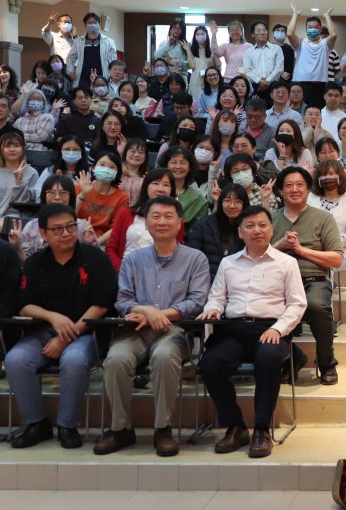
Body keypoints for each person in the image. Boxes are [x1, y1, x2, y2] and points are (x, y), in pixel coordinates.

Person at [94, 196, 210, 457]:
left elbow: (197, 301)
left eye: (168, 216)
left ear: (180, 223)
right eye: (155, 216)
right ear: (146, 224)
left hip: (176, 330)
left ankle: (163, 428)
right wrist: (146, 311)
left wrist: (161, 315)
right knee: (115, 359)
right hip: (134, 330)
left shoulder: (196, 259)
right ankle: (121, 428)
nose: (161, 222)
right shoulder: (133, 259)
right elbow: (123, 300)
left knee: (164, 356)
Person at [197, 205, 306, 458]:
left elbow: (297, 303)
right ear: (240, 232)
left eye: (262, 225)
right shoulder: (228, 263)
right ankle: (235, 426)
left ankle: (260, 429)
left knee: (268, 358)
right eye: (250, 226)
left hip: (269, 328)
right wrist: (213, 309)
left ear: (271, 229)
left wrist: (278, 329)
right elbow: (216, 298)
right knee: (210, 363)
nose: (257, 230)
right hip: (233, 329)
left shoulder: (287, 263)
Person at [6, 203, 116, 449]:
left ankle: (67, 425)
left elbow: (102, 303)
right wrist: (53, 317)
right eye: (57, 229)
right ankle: (37, 423)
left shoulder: (95, 258)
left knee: (74, 360)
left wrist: (67, 336)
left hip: (87, 331)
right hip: (44, 331)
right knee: (15, 359)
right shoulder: (35, 262)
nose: (66, 233)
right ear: (43, 234)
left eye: (70, 227)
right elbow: (23, 305)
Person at [271, 167, 343, 385]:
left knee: (317, 306)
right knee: (264, 308)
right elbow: (257, 256)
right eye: (289, 185)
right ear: (281, 191)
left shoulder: (323, 217)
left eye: (300, 185)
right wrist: (280, 246)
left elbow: (336, 259)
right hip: (277, 282)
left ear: (308, 188)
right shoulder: (269, 218)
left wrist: (301, 251)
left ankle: (327, 363)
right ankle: (289, 360)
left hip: (314, 280)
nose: (294, 189)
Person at [7, 175, 99, 262]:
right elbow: (26, 264)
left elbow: (96, 262)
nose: (57, 197)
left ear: (71, 197)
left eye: (63, 193)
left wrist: (89, 244)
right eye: (51, 193)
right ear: (44, 196)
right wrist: (17, 247)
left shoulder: (83, 227)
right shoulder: (31, 226)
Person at [105, 168, 179, 272]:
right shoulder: (125, 213)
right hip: (124, 272)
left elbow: (176, 254)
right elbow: (111, 249)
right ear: (146, 187)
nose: (160, 188)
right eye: (155, 183)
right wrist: (123, 270)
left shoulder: (176, 219)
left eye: (166, 185)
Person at [75, 150, 129, 243]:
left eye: (111, 167)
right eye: (102, 165)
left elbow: (116, 227)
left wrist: (97, 242)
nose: (106, 169)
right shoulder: (79, 188)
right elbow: (69, 216)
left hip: (102, 242)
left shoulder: (122, 197)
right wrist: (83, 194)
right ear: (93, 168)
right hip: (75, 237)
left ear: (117, 174)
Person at [65, 12, 118, 88]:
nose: (92, 24)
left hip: (102, 79)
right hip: (82, 80)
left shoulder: (109, 42)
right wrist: (70, 70)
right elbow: (70, 58)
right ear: (85, 25)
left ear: (99, 24)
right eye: (89, 23)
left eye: (95, 22)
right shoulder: (78, 41)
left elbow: (113, 62)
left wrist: (112, 77)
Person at [242, 21, 285, 98]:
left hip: (273, 86)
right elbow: (247, 70)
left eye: (264, 30)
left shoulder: (276, 49)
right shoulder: (248, 52)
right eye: (258, 30)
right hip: (256, 87)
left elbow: (279, 68)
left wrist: (268, 81)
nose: (262, 32)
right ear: (252, 34)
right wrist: (259, 81)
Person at [0, 131, 38, 216]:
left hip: (19, 219)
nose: (12, 149)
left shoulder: (32, 173)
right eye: (7, 146)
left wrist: (19, 182)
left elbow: (27, 205)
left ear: (23, 149)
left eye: (16, 146)